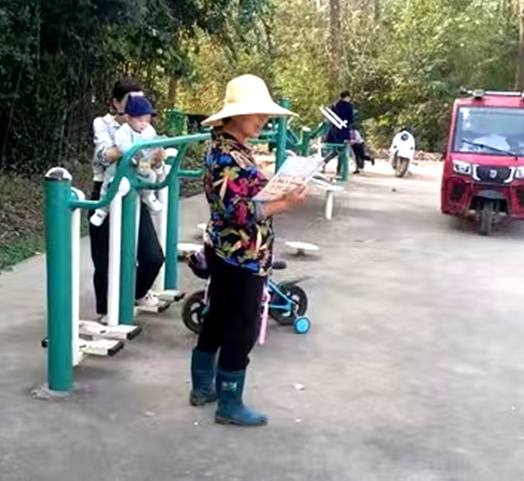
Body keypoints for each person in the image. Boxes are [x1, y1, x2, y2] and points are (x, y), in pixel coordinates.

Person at [189, 74, 308, 427]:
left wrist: (272, 185)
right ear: (236, 115)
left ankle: (202, 387)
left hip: (226, 250)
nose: (264, 119)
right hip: (241, 256)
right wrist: (283, 204)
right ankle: (229, 403)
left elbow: (240, 195)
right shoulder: (228, 156)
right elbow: (238, 212)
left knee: (217, 316)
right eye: (257, 113)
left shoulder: (228, 148)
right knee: (241, 328)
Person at [89, 79, 165, 320]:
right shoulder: (103, 124)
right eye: (130, 101)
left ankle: (134, 293)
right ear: (116, 103)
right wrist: (130, 141)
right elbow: (103, 156)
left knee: (153, 255)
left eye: (140, 101)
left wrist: (156, 157)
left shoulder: (144, 127)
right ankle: (106, 309)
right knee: (105, 258)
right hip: (108, 189)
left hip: (135, 191)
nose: (136, 106)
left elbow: (152, 161)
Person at [90, 95, 165, 226]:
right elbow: (122, 145)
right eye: (140, 120)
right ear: (128, 118)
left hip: (141, 162)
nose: (144, 124)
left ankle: (149, 196)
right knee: (109, 182)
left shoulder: (148, 130)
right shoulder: (123, 131)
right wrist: (134, 150)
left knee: (151, 176)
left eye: (147, 120)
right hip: (122, 164)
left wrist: (158, 145)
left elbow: (152, 141)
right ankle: (102, 209)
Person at [323, 90, 354, 174]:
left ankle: (324, 163)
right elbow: (350, 119)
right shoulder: (348, 106)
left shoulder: (334, 105)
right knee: (342, 150)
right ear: (347, 97)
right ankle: (339, 169)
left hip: (333, 130)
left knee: (335, 150)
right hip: (343, 131)